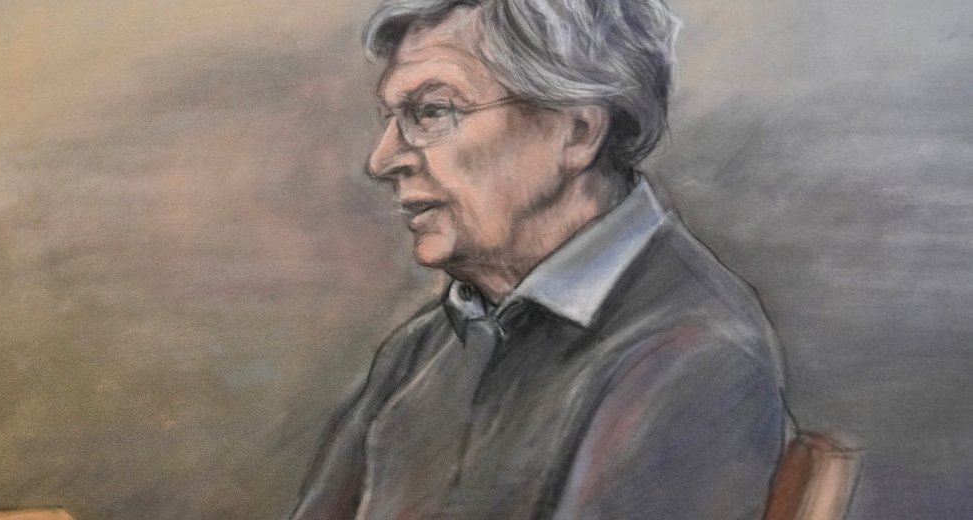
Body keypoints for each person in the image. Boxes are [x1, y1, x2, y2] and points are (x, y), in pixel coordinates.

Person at [289, 0, 792, 518]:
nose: (382, 160)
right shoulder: (424, 347)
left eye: (432, 112)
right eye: (393, 118)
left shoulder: (697, 354)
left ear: (577, 131)